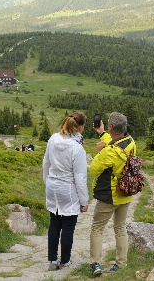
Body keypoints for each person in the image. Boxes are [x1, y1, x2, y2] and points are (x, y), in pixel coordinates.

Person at [89, 112, 137, 276]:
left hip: (109, 195)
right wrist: (102, 133)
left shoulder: (109, 152)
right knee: (120, 227)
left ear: (111, 127)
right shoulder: (130, 142)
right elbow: (115, 144)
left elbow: (94, 169)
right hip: (126, 193)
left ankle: (95, 263)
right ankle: (121, 263)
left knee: (97, 228)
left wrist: (99, 151)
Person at [42, 112, 89, 271]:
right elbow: (80, 178)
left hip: (53, 185)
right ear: (80, 127)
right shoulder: (77, 149)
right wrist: (84, 201)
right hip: (68, 190)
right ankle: (66, 260)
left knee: (54, 223)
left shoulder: (53, 139)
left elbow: (46, 164)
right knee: (68, 226)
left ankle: (53, 260)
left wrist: (47, 182)